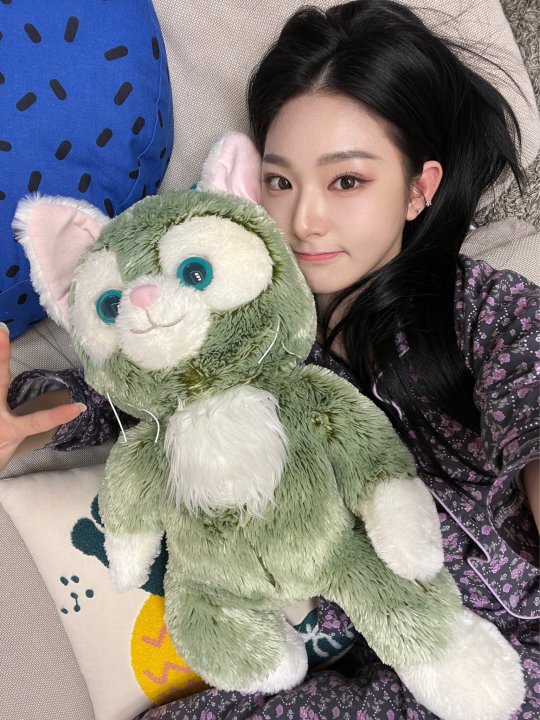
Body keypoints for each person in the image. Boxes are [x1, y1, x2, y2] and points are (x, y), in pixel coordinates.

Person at [1, 1, 538, 718]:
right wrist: (19, 425)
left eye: (346, 181)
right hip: (377, 671)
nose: (305, 220)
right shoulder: (234, 322)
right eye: (280, 182)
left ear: (420, 188)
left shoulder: (486, 311)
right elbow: (115, 395)